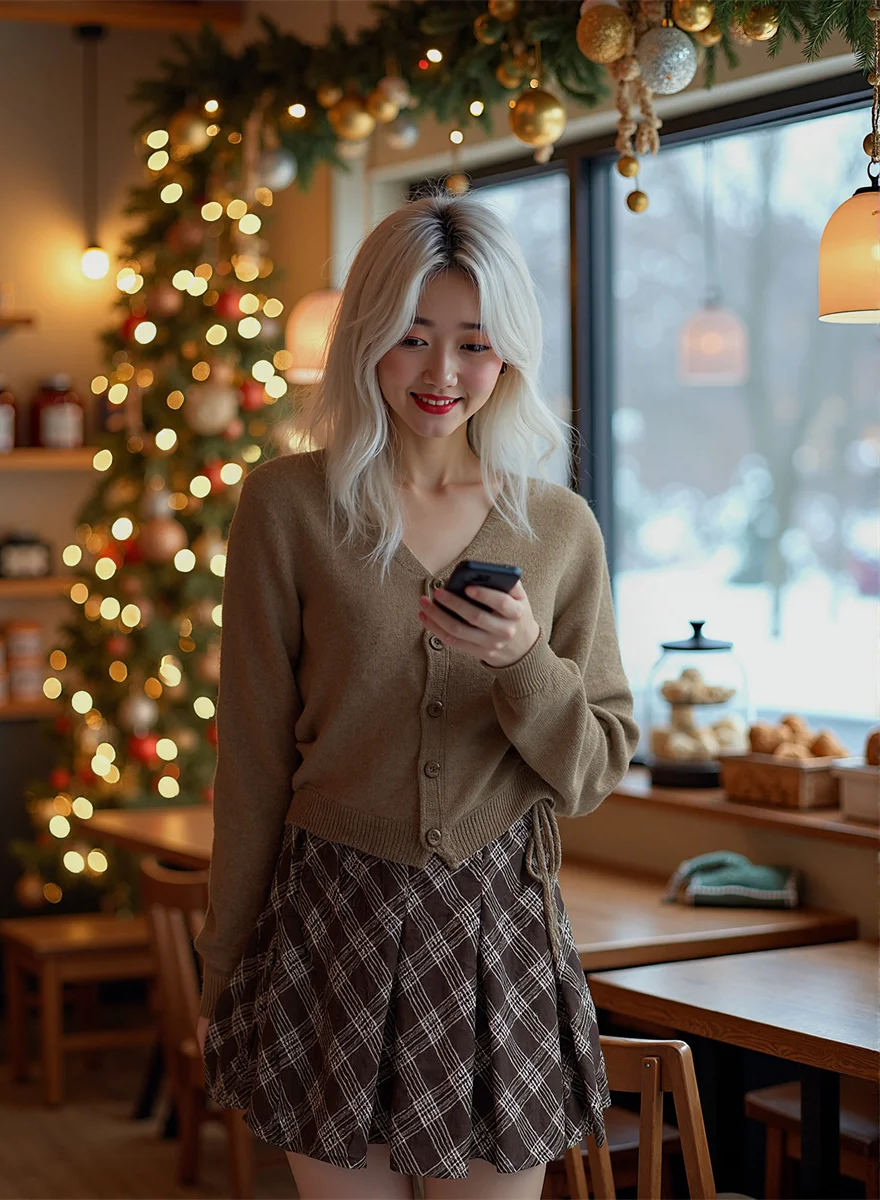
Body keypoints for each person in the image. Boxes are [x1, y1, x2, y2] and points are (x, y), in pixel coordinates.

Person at [194, 189, 639, 1200]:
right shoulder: (287, 506)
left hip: (498, 929)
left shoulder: (560, 529)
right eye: (412, 337)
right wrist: (225, 967)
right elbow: (255, 757)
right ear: (367, 338)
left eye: (474, 343)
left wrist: (524, 660)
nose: (443, 374)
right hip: (329, 925)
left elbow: (596, 768)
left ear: (510, 352)